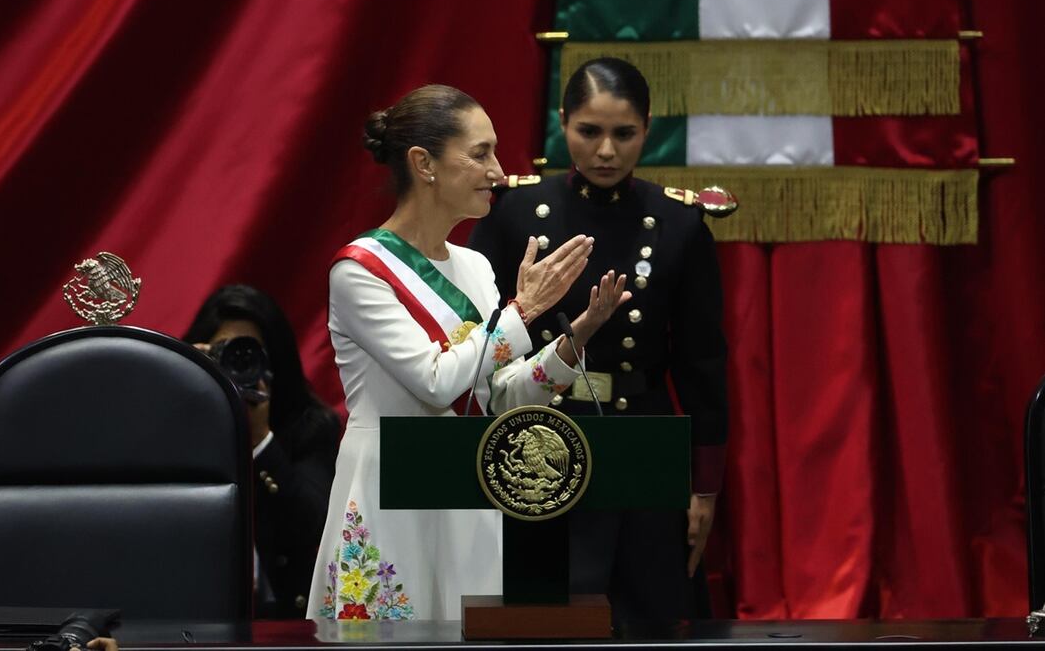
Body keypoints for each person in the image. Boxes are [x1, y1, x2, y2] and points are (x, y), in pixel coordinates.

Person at [306, 84, 630, 622]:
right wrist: (523, 310)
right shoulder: (359, 271)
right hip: (389, 485)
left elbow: (501, 398)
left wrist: (574, 340)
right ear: (423, 164)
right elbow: (436, 383)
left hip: (465, 484)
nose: (498, 172)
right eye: (480, 154)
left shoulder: (475, 267)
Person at [468, 57, 729, 633]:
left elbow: (702, 365)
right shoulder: (514, 211)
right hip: (537, 438)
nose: (606, 150)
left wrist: (704, 487)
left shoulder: (679, 222)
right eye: (589, 131)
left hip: (642, 437)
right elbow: (481, 344)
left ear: (648, 128)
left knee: (648, 619)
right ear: (562, 122)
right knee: (541, 621)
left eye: (624, 133)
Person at [184, 284, 340, 619]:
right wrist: (186, 379)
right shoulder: (179, 426)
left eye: (248, 354)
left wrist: (260, 438)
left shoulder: (311, 427)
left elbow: (311, 525)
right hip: (197, 607)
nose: (235, 365)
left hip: (283, 614)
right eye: (221, 352)